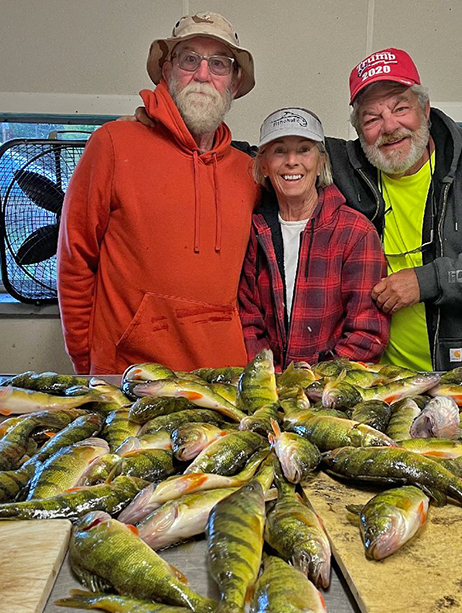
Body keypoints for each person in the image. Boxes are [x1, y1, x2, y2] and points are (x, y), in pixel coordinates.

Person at [57, 11, 259, 374]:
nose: (202, 74)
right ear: (167, 71)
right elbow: (75, 261)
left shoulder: (248, 172)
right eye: (189, 59)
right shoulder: (114, 144)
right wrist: (89, 364)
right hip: (129, 376)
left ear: (234, 81)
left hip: (222, 381)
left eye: (218, 64)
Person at [326, 48, 462, 371]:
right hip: (379, 384)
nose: (389, 126)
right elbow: (281, 158)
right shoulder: (345, 170)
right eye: (372, 118)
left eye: (400, 107)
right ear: (359, 130)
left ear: (425, 109)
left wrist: (429, 280)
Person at [237, 107, 389, 371]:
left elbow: (367, 334)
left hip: (332, 392)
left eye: (304, 149)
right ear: (263, 164)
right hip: (269, 391)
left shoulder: (356, 232)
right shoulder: (252, 231)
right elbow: (247, 321)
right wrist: (272, 380)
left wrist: (313, 384)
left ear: (321, 163)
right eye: (279, 150)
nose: (292, 161)